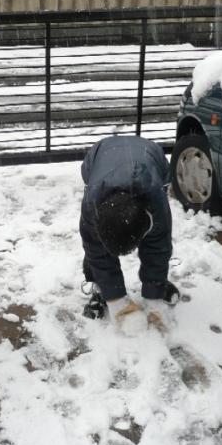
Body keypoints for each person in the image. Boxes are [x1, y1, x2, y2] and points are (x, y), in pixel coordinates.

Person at [79, 135, 180, 325]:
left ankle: (156, 286)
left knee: (157, 244)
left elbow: (158, 249)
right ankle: (101, 287)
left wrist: (154, 298)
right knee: (94, 247)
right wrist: (115, 299)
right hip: (101, 154)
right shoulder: (92, 206)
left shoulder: (157, 206)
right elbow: (95, 250)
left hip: (151, 154)